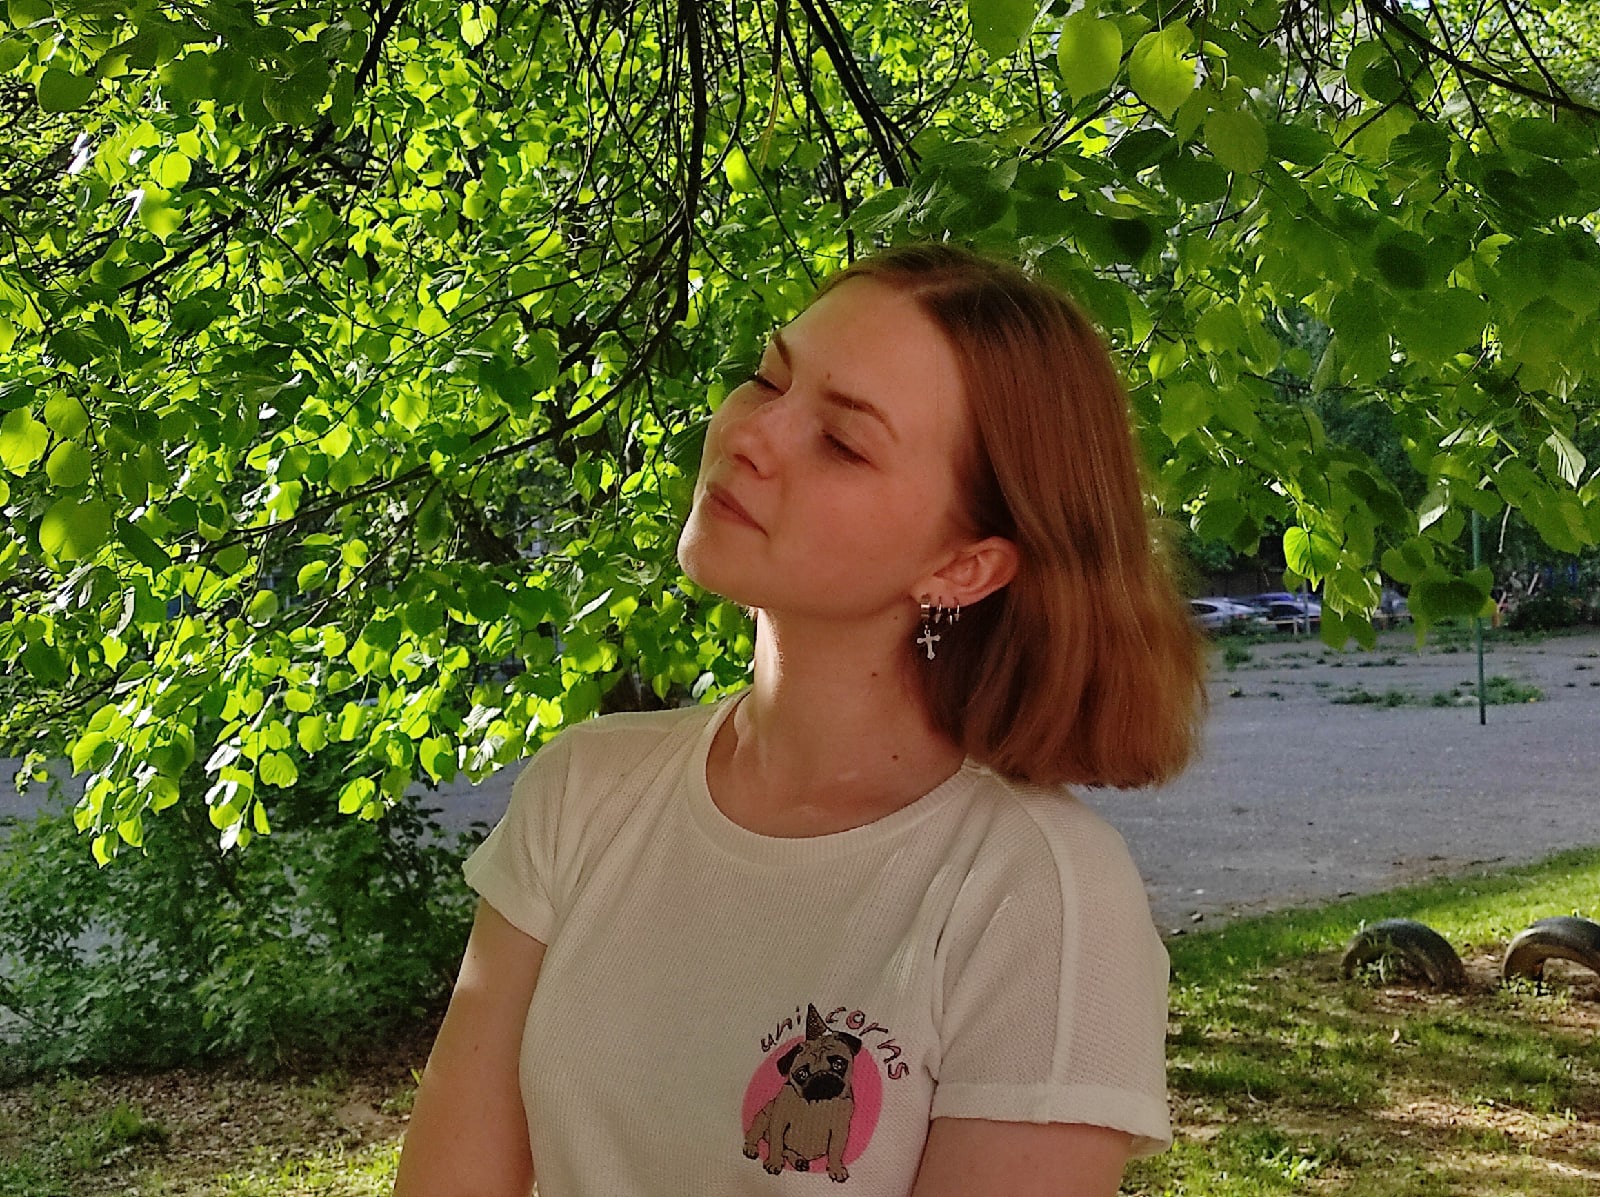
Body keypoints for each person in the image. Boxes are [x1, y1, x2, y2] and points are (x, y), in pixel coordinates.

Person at [392, 243, 1206, 1197]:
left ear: (963, 567)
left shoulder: (1038, 895)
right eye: (767, 377)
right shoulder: (585, 793)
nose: (750, 434)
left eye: (843, 441)